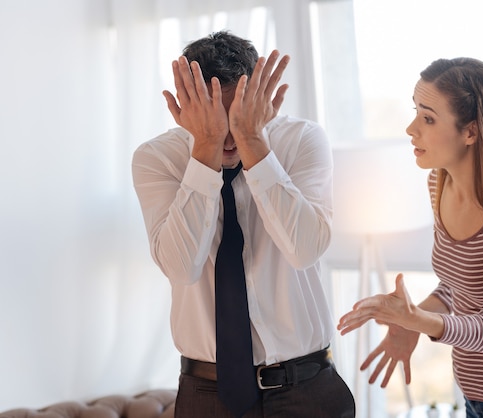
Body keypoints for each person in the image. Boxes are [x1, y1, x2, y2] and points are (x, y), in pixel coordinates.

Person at [337, 57, 483, 417]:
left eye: (428, 117)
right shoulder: (440, 182)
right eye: (415, 112)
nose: (411, 128)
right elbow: (457, 287)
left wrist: (418, 322)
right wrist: (412, 318)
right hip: (476, 401)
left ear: (471, 131)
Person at [132, 31, 355, 418]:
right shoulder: (156, 159)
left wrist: (255, 142)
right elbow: (182, 267)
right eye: (214, 117)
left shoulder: (302, 140)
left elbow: (304, 250)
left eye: (239, 116)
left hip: (307, 387)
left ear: (262, 100)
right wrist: (205, 149)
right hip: (207, 394)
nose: (227, 135)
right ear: (186, 105)